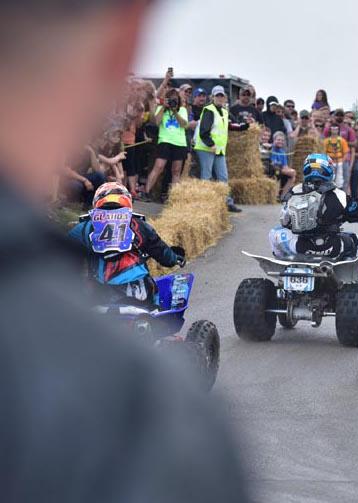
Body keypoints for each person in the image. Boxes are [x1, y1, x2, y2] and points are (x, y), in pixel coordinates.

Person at [0, 1, 249, 499]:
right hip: (133, 295)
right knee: (159, 306)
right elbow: (160, 246)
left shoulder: (87, 226)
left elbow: (61, 250)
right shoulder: (136, 225)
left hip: (91, 298)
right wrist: (177, 258)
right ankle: (173, 345)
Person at [68, 182, 185, 306]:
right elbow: (161, 251)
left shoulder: (83, 228)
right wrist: (174, 258)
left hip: (101, 294)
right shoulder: (138, 225)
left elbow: (64, 254)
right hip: (139, 290)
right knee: (158, 308)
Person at [270, 154, 358, 260]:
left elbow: (285, 221)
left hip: (300, 247)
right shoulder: (338, 195)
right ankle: (351, 278)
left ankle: (285, 263)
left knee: (275, 232)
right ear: (328, 170)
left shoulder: (294, 191)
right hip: (331, 248)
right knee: (352, 239)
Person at [194, 85, 246, 212]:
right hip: (207, 148)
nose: (219, 98)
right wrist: (211, 144)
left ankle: (227, 202)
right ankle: (204, 203)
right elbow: (203, 131)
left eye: (221, 96)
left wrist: (245, 126)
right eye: (217, 95)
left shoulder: (224, 111)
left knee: (223, 177)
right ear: (212, 97)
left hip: (219, 149)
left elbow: (230, 126)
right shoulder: (208, 110)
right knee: (206, 176)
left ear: (225, 98)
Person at [140, 88, 188, 201]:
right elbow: (156, 122)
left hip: (179, 143)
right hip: (165, 141)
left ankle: (173, 197)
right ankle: (146, 192)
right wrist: (163, 107)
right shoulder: (162, 109)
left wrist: (175, 111)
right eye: (171, 99)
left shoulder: (182, 110)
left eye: (175, 99)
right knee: (159, 167)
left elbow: (184, 125)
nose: (173, 102)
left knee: (176, 170)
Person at [323, 124, 349, 191]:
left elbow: (346, 152)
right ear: (330, 130)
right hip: (329, 161)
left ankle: (339, 191)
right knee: (329, 177)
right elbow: (323, 152)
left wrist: (342, 161)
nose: (334, 130)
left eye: (336, 129)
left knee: (339, 179)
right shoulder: (326, 141)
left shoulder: (342, 140)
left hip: (339, 161)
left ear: (338, 130)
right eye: (333, 129)